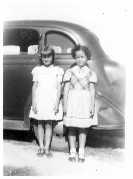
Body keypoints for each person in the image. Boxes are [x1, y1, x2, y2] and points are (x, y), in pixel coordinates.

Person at [63, 45, 98, 162]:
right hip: (72, 102)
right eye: (77, 57)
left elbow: (92, 91)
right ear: (74, 58)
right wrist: (65, 104)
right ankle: (72, 151)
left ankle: (81, 151)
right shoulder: (70, 71)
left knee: (83, 128)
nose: (80, 59)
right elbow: (66, 89)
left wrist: (92, 105)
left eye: (82, 57)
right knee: (71, 127)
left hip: (84, 103)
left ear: (87, 58)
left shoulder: (91, 73)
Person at [29, 46, 64, 157]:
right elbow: (34, 87)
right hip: (40, 101)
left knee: (49, 125)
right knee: (40, 124)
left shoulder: (57, 70)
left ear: (53, 57)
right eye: (44, 57)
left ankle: (47, 147)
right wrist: (34, 102)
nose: (46, 59)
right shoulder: (37, 70)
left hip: (51, 101)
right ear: (41, 58)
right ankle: (41, 146)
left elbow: (59, 88)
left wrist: (57, 103)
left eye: (48, 56)